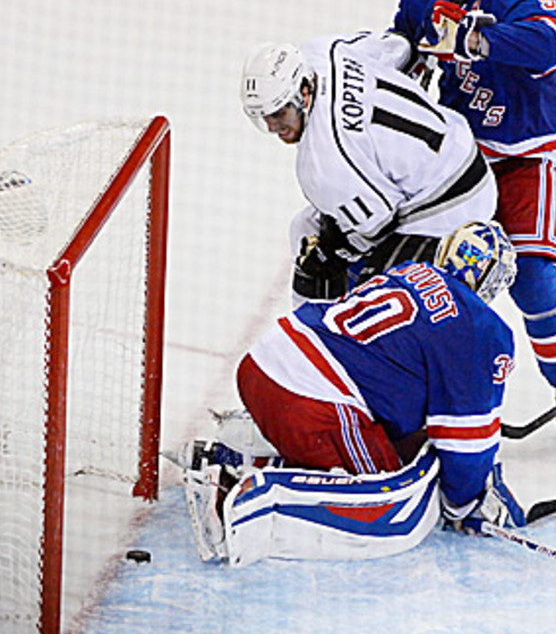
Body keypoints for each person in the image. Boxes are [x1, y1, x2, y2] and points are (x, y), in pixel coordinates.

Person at [179, 221, 526, 566]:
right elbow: (466, 440)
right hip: (310, 397)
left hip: (263, 364)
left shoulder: (411, 271)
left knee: (377, 451)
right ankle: (233, 497)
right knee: (390, 499)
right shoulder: (481, 328)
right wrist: (463, 505)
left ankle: (230, 458)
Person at [390, 0, 556, 436]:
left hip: (529, 151)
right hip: (461, 154)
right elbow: (404, 42)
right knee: (428, 272)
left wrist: (480, 40)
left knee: (533, 273)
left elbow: (553, 42)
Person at [240, 31, 497, 303]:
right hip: (461, 147)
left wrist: (334, 251)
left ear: (303, 93)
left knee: (369, 304)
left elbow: (378, 225)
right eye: (262, 117)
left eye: (279, 114)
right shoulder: (323, 52)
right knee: (304, 227)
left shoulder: (321, 165)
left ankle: (325, 338)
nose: (272, 126)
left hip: (455, 206)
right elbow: (401, 50)